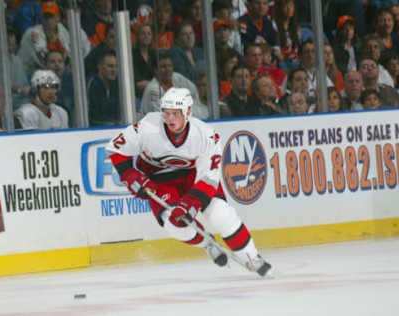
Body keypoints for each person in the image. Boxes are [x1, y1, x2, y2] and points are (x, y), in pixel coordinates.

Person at [106, 87, 272, 276]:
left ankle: (252, 256)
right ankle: (207, 243)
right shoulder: (147, 127)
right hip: (159, 181)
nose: (170, 119)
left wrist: (191, 204)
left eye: (175, 114)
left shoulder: (206, 136)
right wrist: (129, 174)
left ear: (188, 112)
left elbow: (208, 178)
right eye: (166, 113)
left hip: (194, 177)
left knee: (220, 214)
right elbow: (115, 148)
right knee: (174, 223)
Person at [0, 26, 30, 110]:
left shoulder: (17, 59)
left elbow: (25, 84)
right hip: (2, 99)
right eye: (5, 36)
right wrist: (19, 90)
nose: (8, 39)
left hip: (20, 99)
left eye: (11, 36)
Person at [87, 50, 120, 126]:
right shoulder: (92, 84)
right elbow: (92, 118)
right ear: (99, 67)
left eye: (116, 66)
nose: (114, 70)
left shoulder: (117, 85)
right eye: (110, 66)